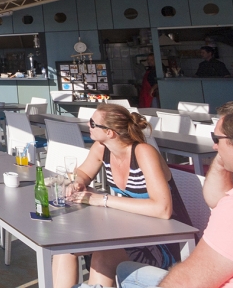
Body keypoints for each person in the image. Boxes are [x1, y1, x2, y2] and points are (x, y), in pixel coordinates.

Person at [116, 101, 233, 288]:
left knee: (128, 273)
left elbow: (187, 282)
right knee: (125, 268)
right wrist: (227, 152)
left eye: (216, 139)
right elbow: (215, 200)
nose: (214, 147)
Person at [52, 104, 191, 288]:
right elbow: (84, 173)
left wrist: (103, 200)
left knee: (102, 257)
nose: (88, 124)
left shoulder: (143, 152)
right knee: (65, 248)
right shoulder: (101, 148)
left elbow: (163, 209)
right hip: (127, 229)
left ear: (110, 132)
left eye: (93, 123)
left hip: (162, 239)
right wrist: (79, 182)